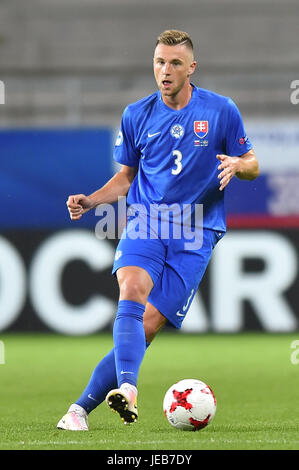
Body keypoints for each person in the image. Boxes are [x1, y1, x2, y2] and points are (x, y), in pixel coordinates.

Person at [57, 29, 259, 431]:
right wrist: (92, 200)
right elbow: (126, 177)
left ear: (192, 68)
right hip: (147, 221)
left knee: (146, 325)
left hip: (197, 231)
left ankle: (79, 409)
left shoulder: (220, 110)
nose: (165, 71)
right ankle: (128, 389)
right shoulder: (137, 114)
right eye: (159, 62)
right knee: (130, 290)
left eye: (175, 63)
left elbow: (252, 161)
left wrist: (238, 166)